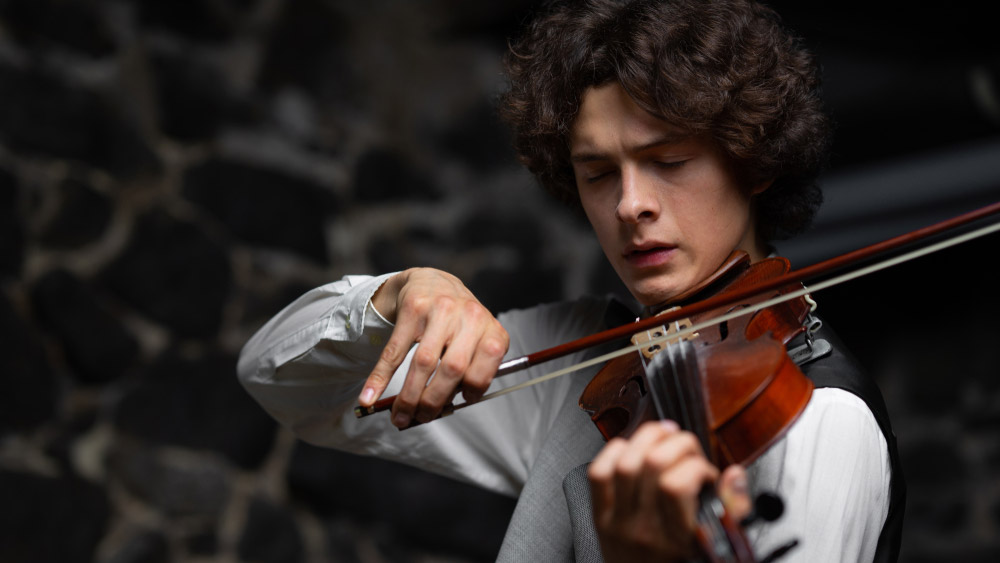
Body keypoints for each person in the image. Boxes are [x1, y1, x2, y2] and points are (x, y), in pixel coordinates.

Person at [237, 1, 903, 561]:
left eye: (667, 159)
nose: (629, 204)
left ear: (753, 163)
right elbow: (282, 380)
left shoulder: (822, 420)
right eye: (598, 172)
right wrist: (397, 297)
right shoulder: (593, 363)